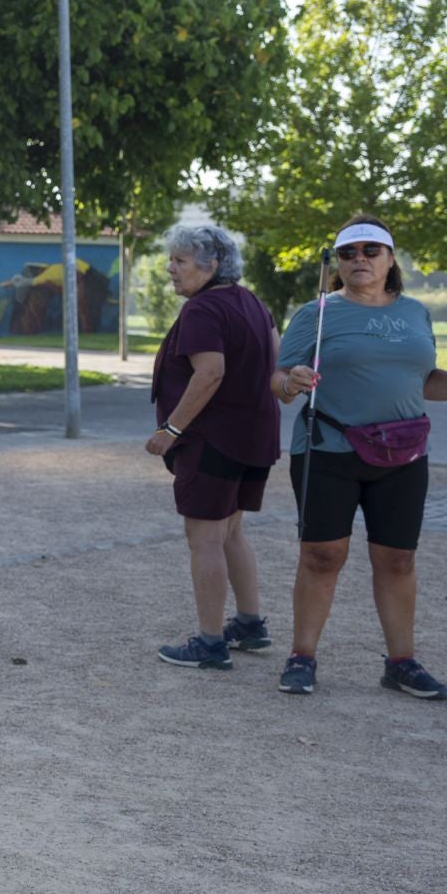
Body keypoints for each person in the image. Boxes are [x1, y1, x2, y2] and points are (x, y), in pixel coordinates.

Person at [272, 215, 447, 699]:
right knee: (322, 556)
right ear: (337, 263)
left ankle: (401, 662)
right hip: (328, 450)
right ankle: (302, 656)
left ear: (391, 258)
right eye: (349, 253)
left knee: (397, 559)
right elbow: (278, 377)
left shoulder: (416, 313)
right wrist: (290, 382)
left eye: (371, 250)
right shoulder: (318, 313)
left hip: (403, 454)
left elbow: (427, 382)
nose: (360, 260)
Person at [146, 225, 281, 671]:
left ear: (212, 265)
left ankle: (209, 642)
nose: (171, 269)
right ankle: (248, 623)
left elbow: (210, 373)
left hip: (214, 440)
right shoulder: (254, 304)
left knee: (204, 537)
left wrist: (171, 429)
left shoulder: (203, 309)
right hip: (255, 438)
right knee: (231, 532)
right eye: (173, 260)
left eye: (181, 261)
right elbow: (275, 361)